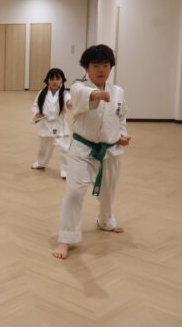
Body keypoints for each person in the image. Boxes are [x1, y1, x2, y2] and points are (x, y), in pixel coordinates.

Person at [52, 45, 130, 259]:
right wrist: (96, 94)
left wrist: (122, 135)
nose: (101, 70)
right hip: (82, 149)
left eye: (105, 65)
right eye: (95, 65)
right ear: (86, 68)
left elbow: (121, 116)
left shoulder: (118, 91)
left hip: (110, 150)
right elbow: (82, 95)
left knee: (108, 192)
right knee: (75, 192)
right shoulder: (78, 88)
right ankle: (66, 238)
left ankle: (105, 221)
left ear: (111, 67)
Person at [31, 68, 72, 179]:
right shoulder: (42, 93)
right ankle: (41, 163)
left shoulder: (65, 93)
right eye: (52, 79)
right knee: (43, 148)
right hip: (46, 124)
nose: (54, 82)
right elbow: (35, 106)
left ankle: (66, 170)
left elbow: (69, 102)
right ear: (47, 80)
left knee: (64, 148)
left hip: (60, 125)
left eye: (57, 79)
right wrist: (37, 113)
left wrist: (69, 103)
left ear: (62, 80)